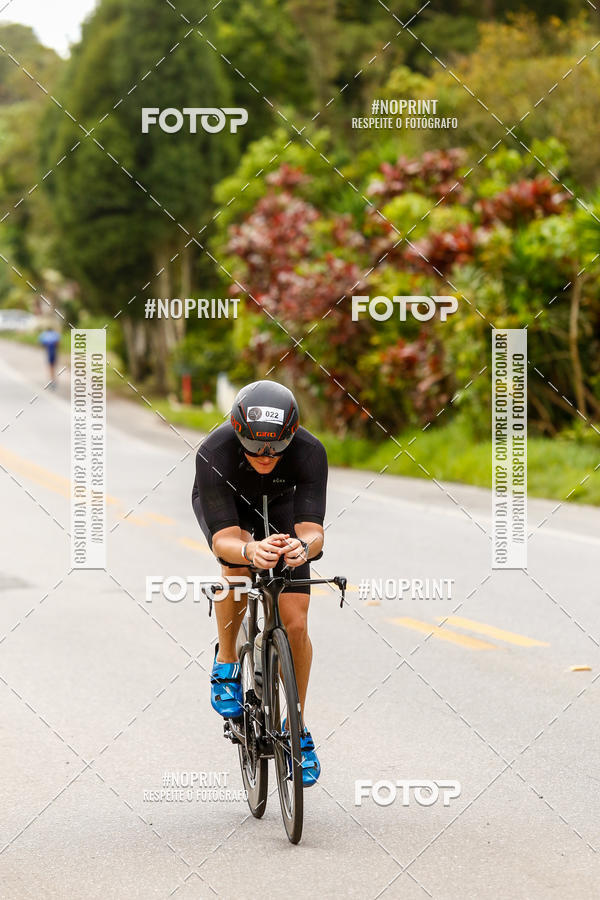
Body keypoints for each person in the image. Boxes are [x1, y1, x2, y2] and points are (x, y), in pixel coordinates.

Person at [192, 380, 328, 786]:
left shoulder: (309, 452)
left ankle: (295, 728)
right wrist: (251, 552)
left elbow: (313, 531)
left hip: (284, 508)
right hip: (231, 508)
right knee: (236, 572)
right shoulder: (214, 452)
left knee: (296, 622)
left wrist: (303, 547)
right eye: (254, 447)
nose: (265, 456)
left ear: (291, 436)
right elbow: (224, 540)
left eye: (275, 448)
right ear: (237, 432)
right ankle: (228, 661)